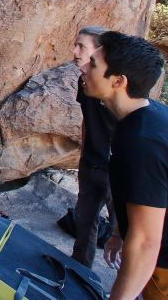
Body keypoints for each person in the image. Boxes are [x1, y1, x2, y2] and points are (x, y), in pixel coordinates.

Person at [80, 31, 167, 300]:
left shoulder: (142, 142)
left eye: (93, 64)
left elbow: (145, 243)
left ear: (119, 81)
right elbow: (141, 194)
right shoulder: (144, 115)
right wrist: (119, 233)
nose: (83, 66)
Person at [71, 26, 117, 268]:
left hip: (115, 169)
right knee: (85, 220)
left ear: (98, 52)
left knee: (124, 229)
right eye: (75, 45)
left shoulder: (115, 86)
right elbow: (87, 118)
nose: (75, 51)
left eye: (82, 46)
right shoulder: (83, 81)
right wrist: (83, 152)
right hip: (90, 162)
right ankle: (79, 271)